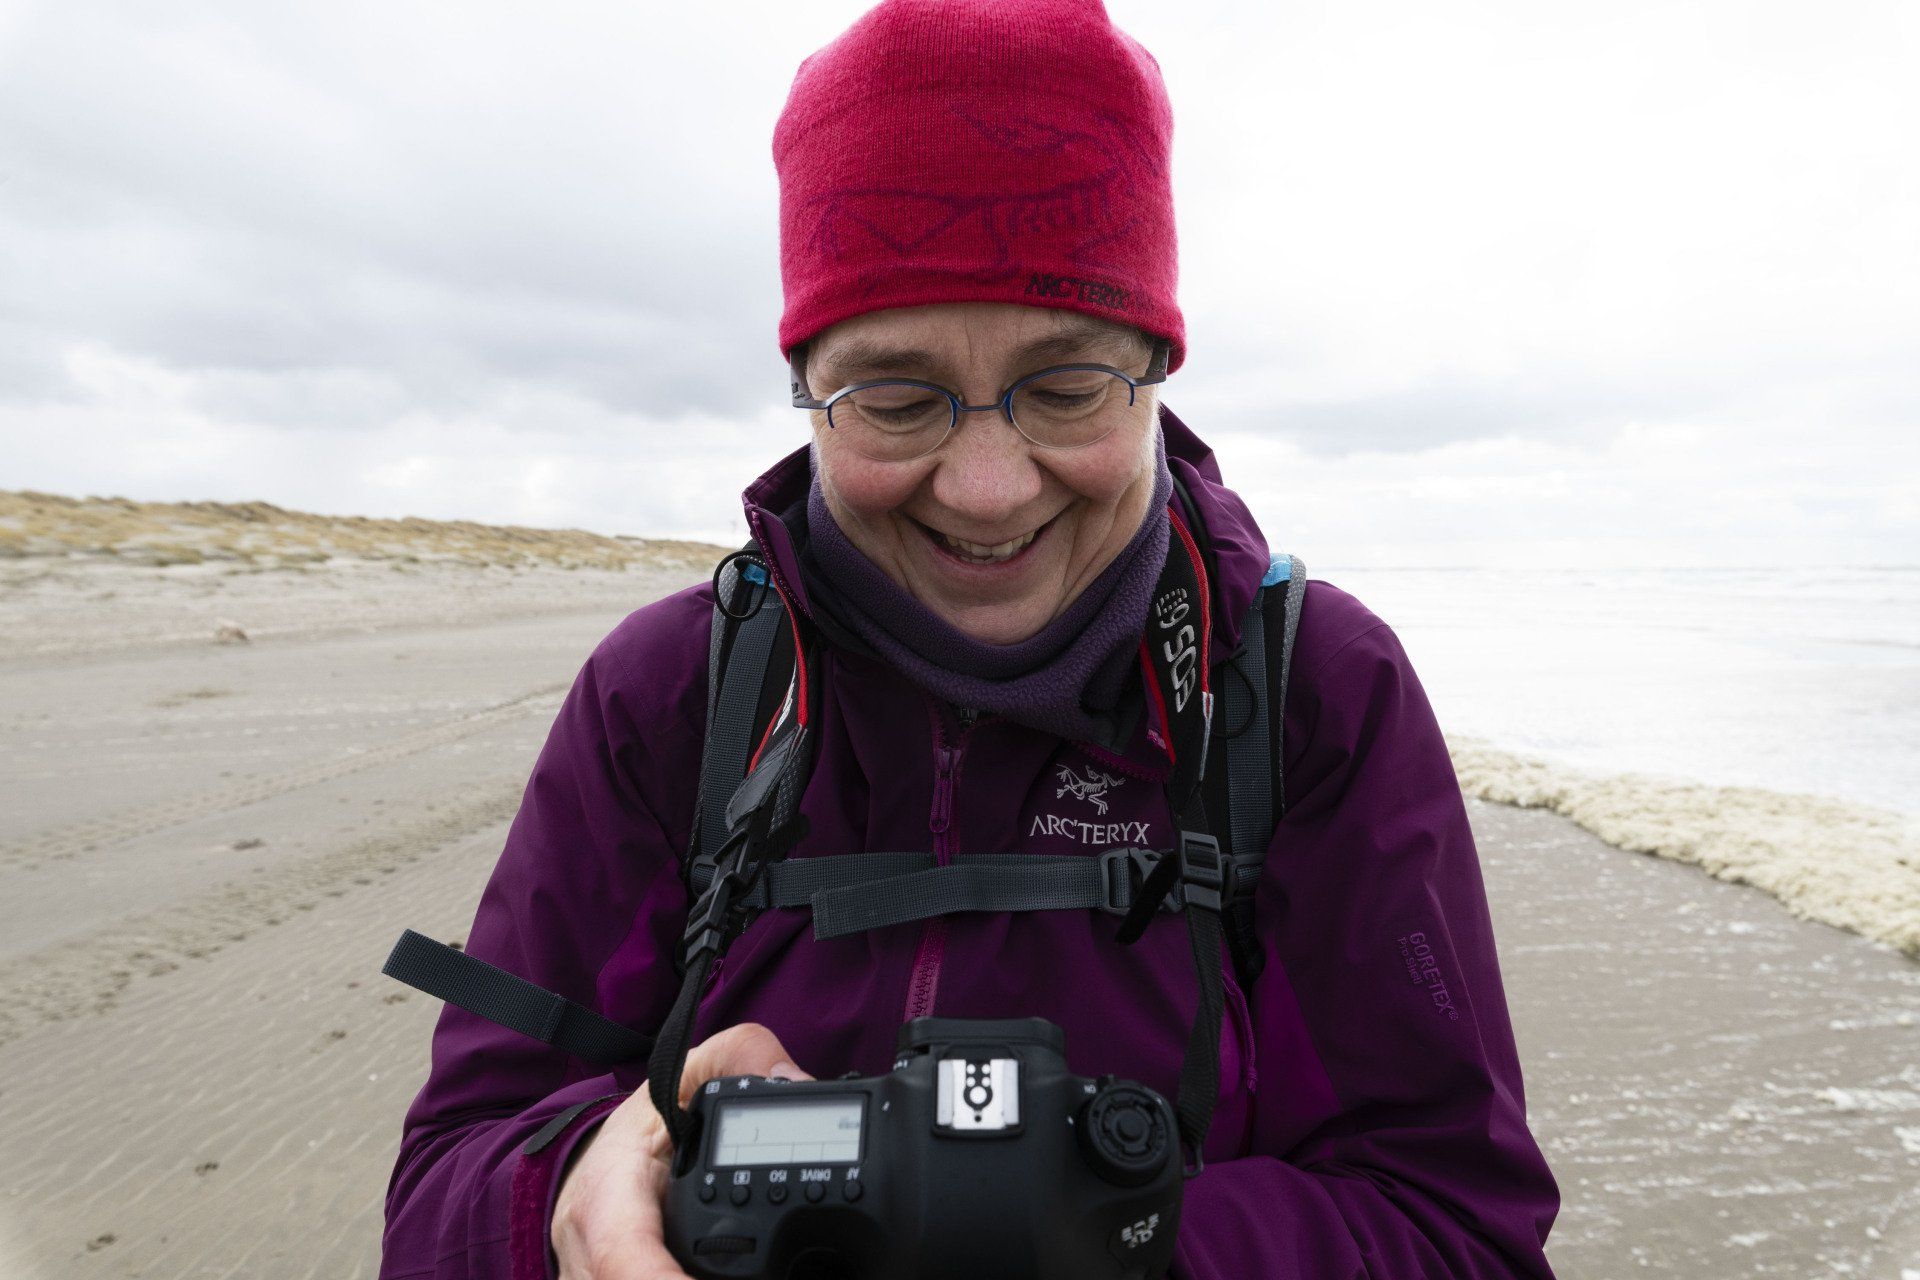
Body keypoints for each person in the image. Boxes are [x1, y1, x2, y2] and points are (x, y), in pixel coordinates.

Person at [380, 1, 1563, 1277]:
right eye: (896, 397)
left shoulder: (1316, 691)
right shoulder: (674, 694)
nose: (987, 486)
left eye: (1066, 387)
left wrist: (1049, 1226)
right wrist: (576, 1187)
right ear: (809, 389)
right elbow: (447, 1185)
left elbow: (1458, 1226)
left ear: (1158, 367)